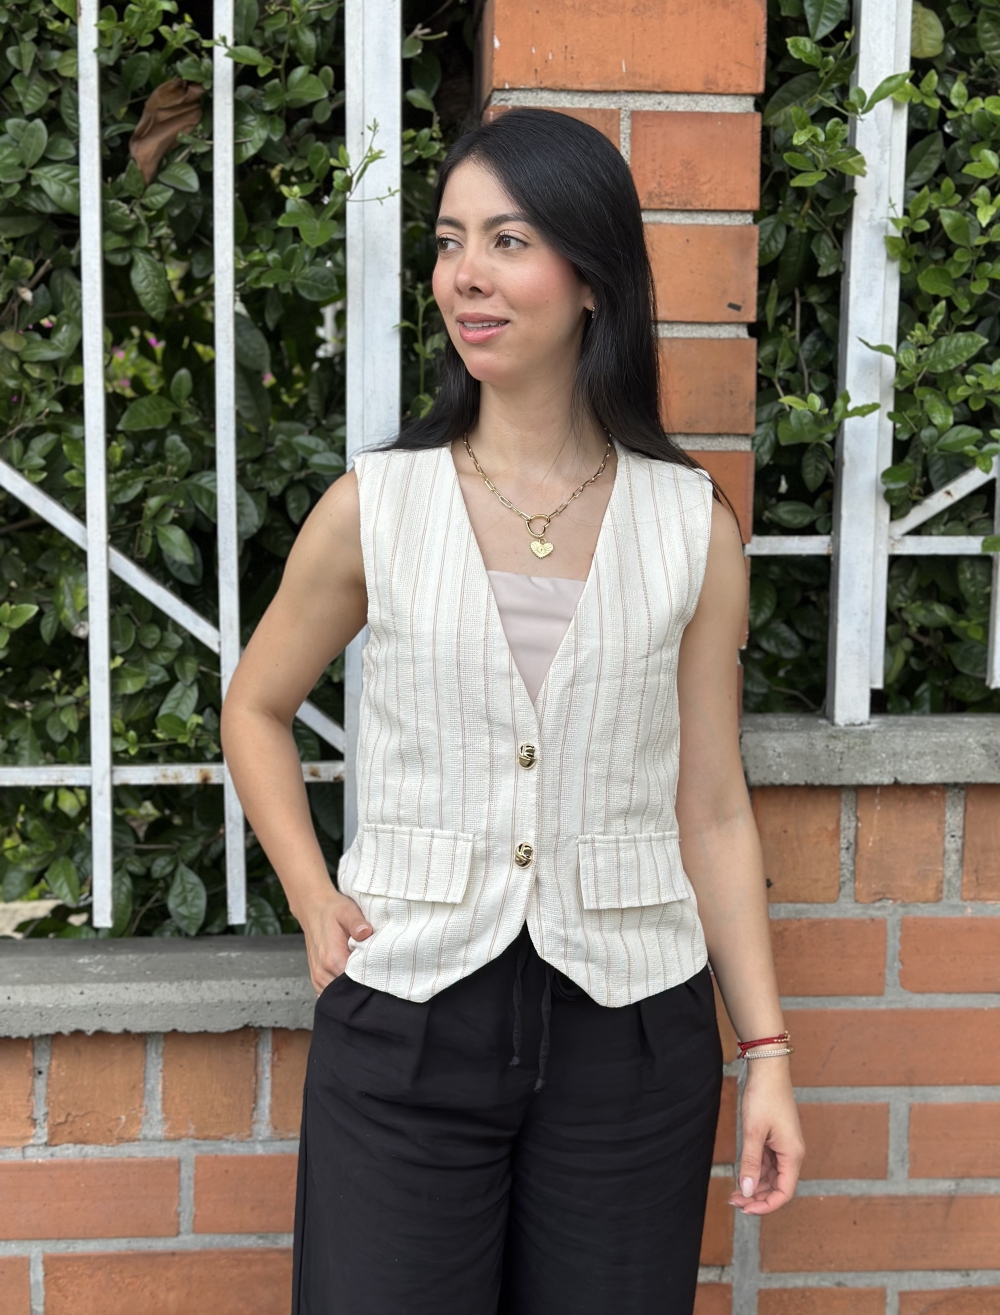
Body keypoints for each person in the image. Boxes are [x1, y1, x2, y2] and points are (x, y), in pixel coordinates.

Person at [220, 107, 804, 1315]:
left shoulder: (688, 526)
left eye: (507, 240)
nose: (465, 276)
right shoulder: (376, 507)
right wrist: (311, 894)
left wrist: (766, 1056)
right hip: (409, 1019)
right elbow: (257, 706)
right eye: (449, 242)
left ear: (591, 278)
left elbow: (709, 805)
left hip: (631, 1036)